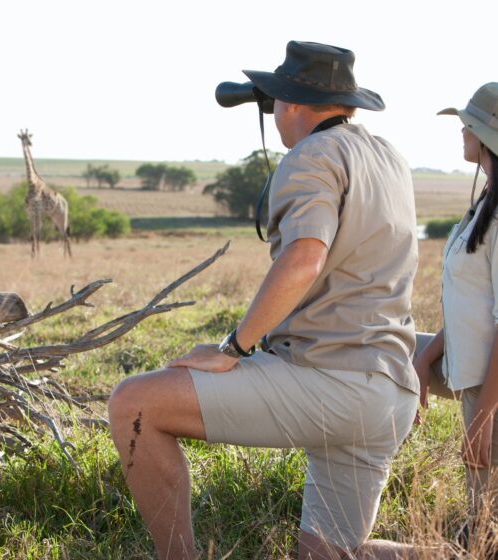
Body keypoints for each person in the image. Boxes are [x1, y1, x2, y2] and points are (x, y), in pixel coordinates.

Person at [108, 41, 424, 559]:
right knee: (326, 556)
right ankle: (456, 552)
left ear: (291, 104)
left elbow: (304, 258)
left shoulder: (311, 156)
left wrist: (234, 347)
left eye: (275, 99)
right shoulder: (390, 158)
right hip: (389, 391)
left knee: (133, 402)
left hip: (331, 382)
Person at [414, 82, 498, 551]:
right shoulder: (486, 199)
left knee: (483, 531)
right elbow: (474, 304)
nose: (462, 128)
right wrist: (426, 357)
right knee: (479, 520)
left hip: (491, 388)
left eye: (470, 122)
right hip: (474, 375)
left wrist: (482, 418)